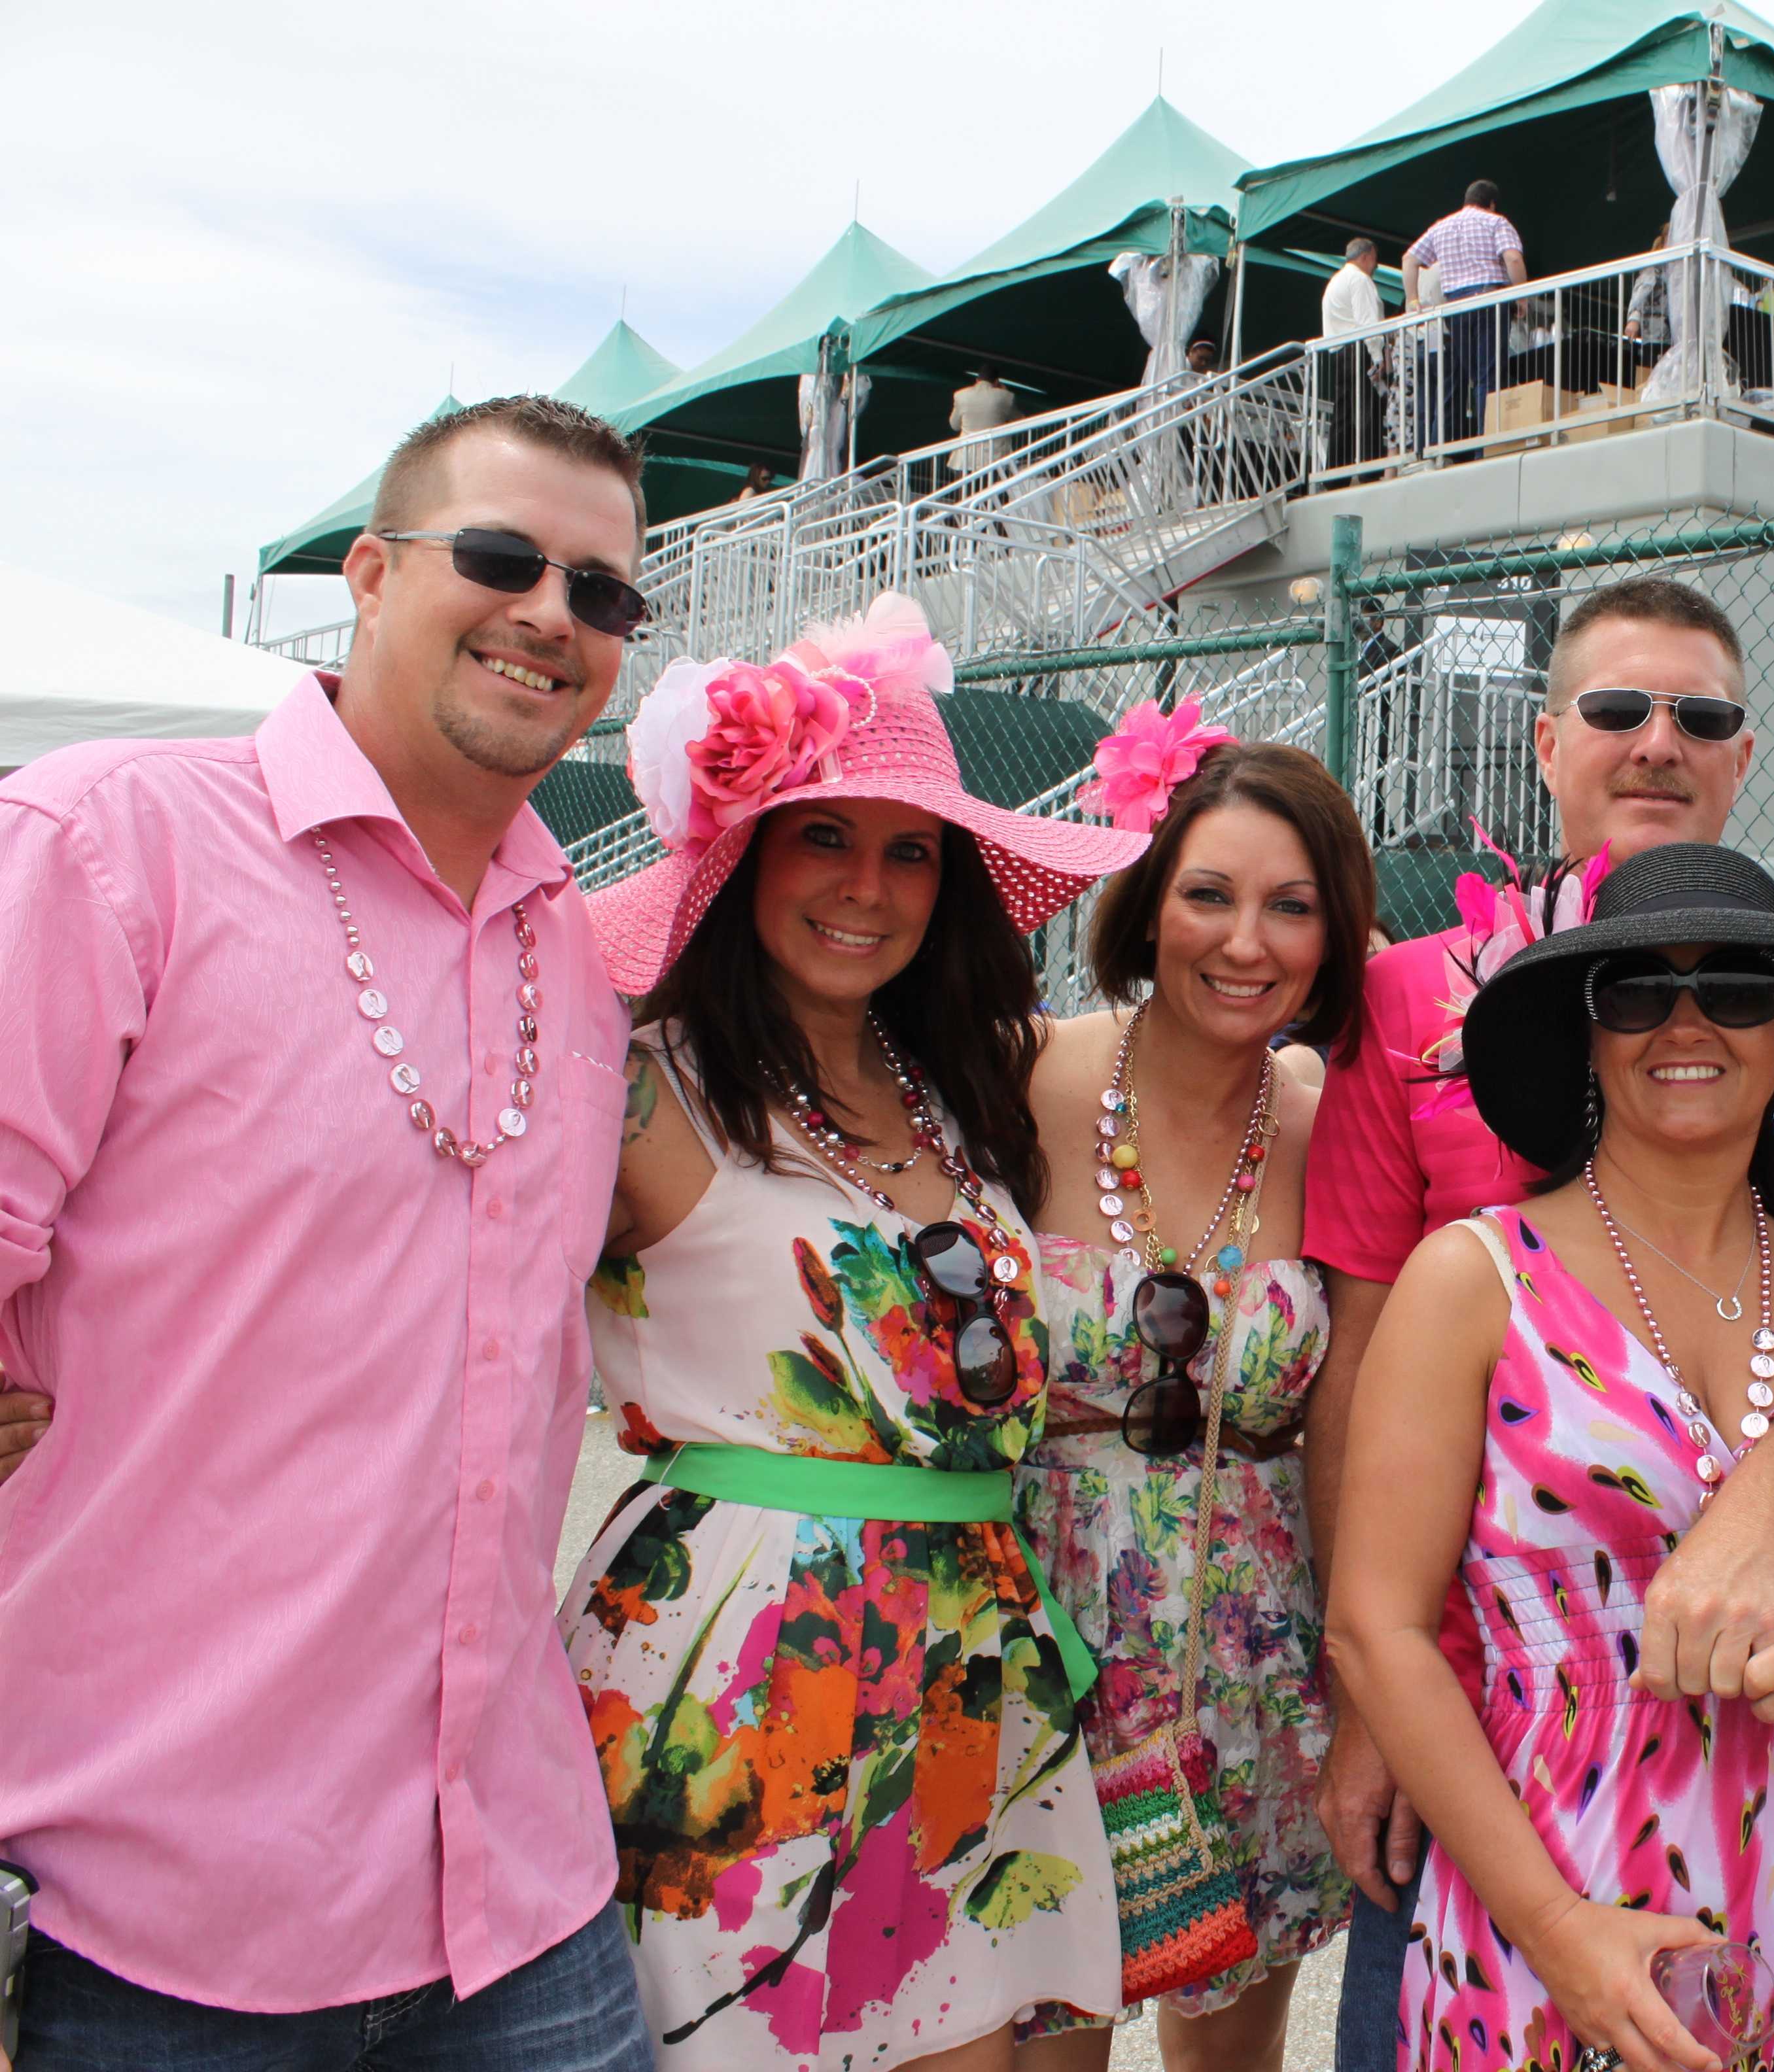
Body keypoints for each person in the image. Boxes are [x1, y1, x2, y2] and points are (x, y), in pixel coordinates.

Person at [0, 396, 662, 2066]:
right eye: (503, 558)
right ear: (368, 574)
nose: (552, 617)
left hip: (515, 1892)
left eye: (604, 594)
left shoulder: (574, 957)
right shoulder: (109, 844)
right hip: (142, 1911)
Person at [1304, 576, 1774, 2072]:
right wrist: (1364, 1692)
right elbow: (1350, 1366)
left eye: (1738, 988)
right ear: (1548, 741)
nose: (1653, 741)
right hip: (1503, 1784)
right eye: (1616, 710)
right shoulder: (1405, 1023)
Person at [568, 592, 1149, 2068]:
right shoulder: (642, 1091)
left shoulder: (964, 1086)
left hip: (985, 1666)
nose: (868, 888)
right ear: (742, 856)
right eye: (824, 836)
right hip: (747, 1671)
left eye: (910, 850)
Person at [1011, 716, 1378, 2072]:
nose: (1247, 943)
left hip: (1252, 1674)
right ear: (1146, 898)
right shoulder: (1021, 1072)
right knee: (1038, 2041)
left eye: (1292, 907)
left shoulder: (1338, 1120)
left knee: (1229, 2053)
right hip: (1038, 1660)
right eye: (1209, 895)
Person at [1400, 179, 1525, 447]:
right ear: (1491, 204)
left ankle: (1473, 443)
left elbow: (1409, 259)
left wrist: (1413, 300)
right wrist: (1521, 296)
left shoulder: (1441, 227)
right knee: (1489, 376)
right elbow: (1513, 259)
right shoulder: (1496, 222)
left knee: (1472, 376)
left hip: (1455, 307)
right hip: (1490, 300)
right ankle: (1488, 443)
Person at [1322, 239, 1387, 474]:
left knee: (1344, 413)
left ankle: (1335, 474)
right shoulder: (1360, 280)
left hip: (1339, 352)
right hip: (1359, 349)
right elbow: (1367, 321)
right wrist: (1378, 357)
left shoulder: (1335, 281)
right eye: (1375, 258)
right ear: (1366, 256)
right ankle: (1371, 469)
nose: (1376, 265)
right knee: (1368, 410)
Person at [950, 370, 1026, 476]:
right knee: (993, 491)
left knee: (966, 492)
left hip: (965, 459)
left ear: (977, 381)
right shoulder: (1006, 397)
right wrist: (1005, 391)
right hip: (994, 461)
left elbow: (954, 426)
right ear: (997, 382)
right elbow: (1021, 421)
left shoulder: (960, 395)